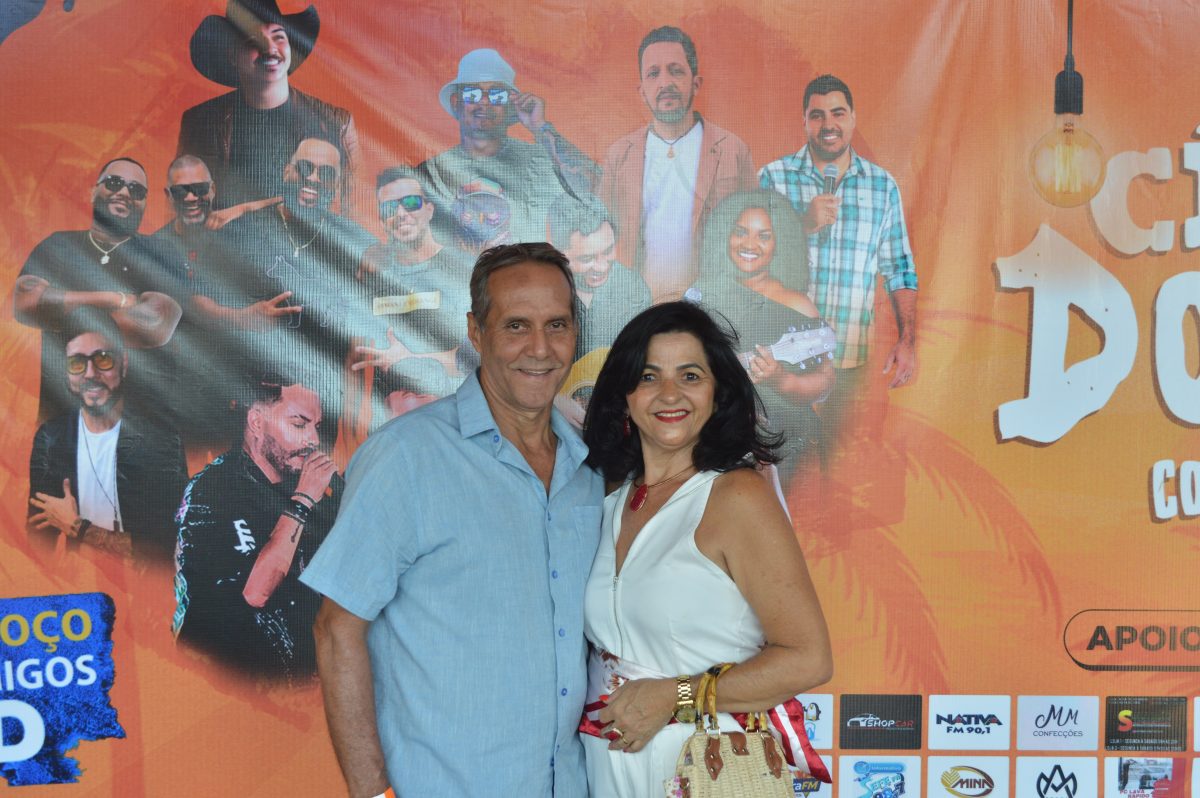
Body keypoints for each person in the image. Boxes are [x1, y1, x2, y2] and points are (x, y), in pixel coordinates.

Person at [300, 243, 604, 797]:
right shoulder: (407, 456)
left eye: (557, 325)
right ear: (476, 332)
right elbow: (336, 630)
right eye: (516, 325)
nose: (540, 348)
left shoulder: (589, 469)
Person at [578, 301, 833, 796]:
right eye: (649, 376)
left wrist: (675, 696)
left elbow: (809, 659)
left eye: (690, 376)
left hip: (711, 769)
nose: (669, 393)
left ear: (717, 393)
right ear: (624, 395)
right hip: (610, 771)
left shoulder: (737, 496)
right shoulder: (609, 497)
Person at [199, 136, 375, 444]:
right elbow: (195, 301)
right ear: (286, 171)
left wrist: (350, 415)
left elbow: (360, 338)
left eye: (326, 173)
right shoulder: (243, 229)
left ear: (336, 185)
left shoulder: (354, 243)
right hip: (249, 406)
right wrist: (240, 317)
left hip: (317, 414)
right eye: (305, 168)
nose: (313, 179)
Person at [172, 368, 343, 680]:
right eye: (299, 424)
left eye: (316, 427)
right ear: (256, 421)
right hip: (228, 683)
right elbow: (255, 593)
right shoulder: (213, 490)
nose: (314, 440)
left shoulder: (311, 488)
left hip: (298, 685)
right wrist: (303, 501)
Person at [758, 74, 918, 401]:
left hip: (850, 361)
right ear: (804, 121)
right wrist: (803, 224)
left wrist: (907, 341)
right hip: (782, 360)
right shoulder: (773, 178)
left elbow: (900, 270)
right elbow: (747, 259)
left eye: (838, 113)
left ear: (853, 118)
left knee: (846, 438)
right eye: (817, 115)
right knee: (780, 438)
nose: (828, 124)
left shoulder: (882, 187)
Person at [14, 157, 184, 424]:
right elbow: (24, 303)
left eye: (136, 190)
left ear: (145, 202)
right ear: (93, 191)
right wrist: (115, 299)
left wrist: (59, 307)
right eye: (114, 183)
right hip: (62, 422)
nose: (124, 192)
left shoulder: (161, 253)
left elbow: (157, 323)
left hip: (141, 428)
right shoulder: (58, 245)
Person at [598, 26, 755, 302]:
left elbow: (755, 232)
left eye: (676, 71)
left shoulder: (733, 151)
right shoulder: (619, 156)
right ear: (642, 91)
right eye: (653, 73)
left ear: (696, 83)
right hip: (639, 309)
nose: (665, 82)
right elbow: (598, 236)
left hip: (712, 308)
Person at [692, 190, 835, 480]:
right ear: (725, 236)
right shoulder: (702, 293)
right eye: (741, 232)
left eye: (764, 236)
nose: (749, 244)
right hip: (708, 438)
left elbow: (825, 382)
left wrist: (781, 379)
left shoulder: (796, 305)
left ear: (779, 243)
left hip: (777, 447)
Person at [27, 317, 187, 563]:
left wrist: (79, 529)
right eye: (77, 363)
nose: (91, 373)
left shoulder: (159, 440)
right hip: (76, 582)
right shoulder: (51, 437)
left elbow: (171, 545)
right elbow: (38, 541)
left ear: (124, 364)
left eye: (103, 359)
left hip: (142, 583)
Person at [179, 0, 359, 215]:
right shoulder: (198, 121)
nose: (270, 48)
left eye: (278, 37)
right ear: (233, 56)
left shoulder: (337, 123)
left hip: (305, 236)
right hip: (225, 237)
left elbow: (354, 210)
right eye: (253, 41)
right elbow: (179, 209)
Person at [418, 48, 598, 244]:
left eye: (497, 95)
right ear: (456, 102)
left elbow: (593, 188)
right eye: (472, 93)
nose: (484, 102)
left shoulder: (540, 160)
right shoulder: (432, 173)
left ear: (511, 105)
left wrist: (540, 127)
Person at [351, 166, 474, 403]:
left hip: (454, 412)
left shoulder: (465, 270)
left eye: (411, 203)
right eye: (389, 208)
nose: (400, 213)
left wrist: (411, 361)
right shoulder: (371, 273)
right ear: (382, 220)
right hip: (393, 415)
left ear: (429, 209)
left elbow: (479, 357)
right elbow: (355, 353)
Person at [547, 192, 651, 358]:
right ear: (557, 252)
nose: (602, 267)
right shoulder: (540, 292)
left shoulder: (634, 289)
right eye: (587, 258)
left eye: (608, 251)